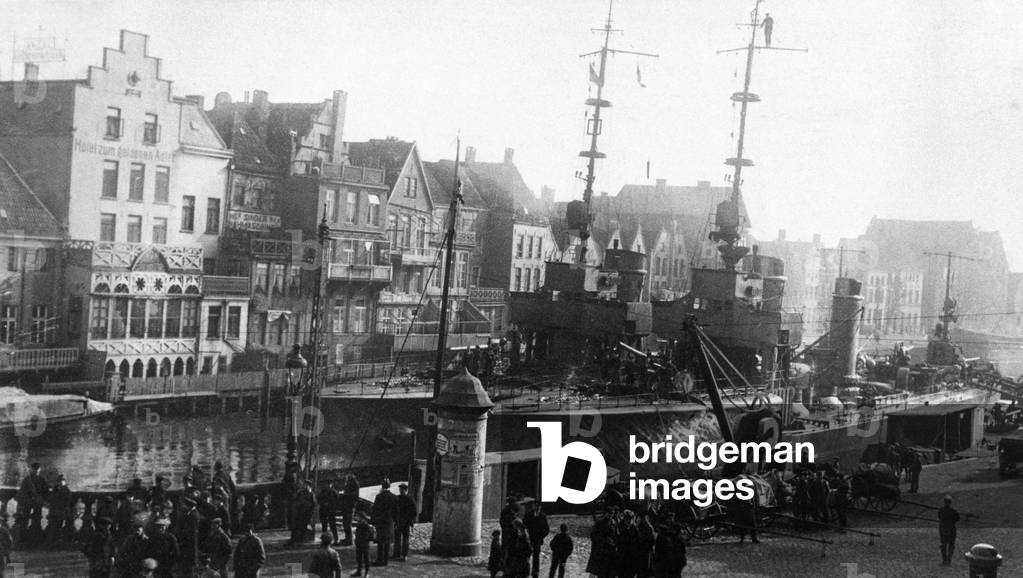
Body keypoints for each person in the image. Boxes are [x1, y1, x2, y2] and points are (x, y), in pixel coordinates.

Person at [370, 479, 397, 566]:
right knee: (387, 541)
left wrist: (373, 521)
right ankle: (385, 561)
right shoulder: (394, 497)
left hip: (380, 521)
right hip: (389, 522)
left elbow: (374, 510)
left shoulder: (379, 496)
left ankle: (379, 559)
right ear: (389, 486)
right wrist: (395, 521)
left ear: (382, 486)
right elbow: (396, 511)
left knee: (380, 541)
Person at [46, 473, 73, 547]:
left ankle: (55, 542)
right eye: (60, 481)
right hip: (55, 511)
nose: (61, 482)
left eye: (62, 481)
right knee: (53, 526)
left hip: (60, 511)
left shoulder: (66, 490)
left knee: (58, 526)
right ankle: (52, 542)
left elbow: (67, 502)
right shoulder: (57, 489)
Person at [523, 501, 549, 578]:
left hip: (538, 539)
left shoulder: (543, 516)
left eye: (538, 506)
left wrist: (541, 537)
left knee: (536, 557)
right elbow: (524, 524)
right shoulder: (528, 515)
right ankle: (525, 571)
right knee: (527, 554)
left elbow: (546, 529)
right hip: (529, 538)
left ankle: (535, 572)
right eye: (535, 506)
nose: (537, 508)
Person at [291, 480, 318, 545]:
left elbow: (314, 504)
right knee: (297, 526)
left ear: (309, 486)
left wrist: (311, 512)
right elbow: (296, 501)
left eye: (306, 485)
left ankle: (301, 539)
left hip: (306, 513)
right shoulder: (300, 493)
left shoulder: (311, 494)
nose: (305, 486)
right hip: (300, 512)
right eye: (304, 485)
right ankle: (294, 539)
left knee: (303, 527)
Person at [394, 483, 417, 561]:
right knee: (402, 539)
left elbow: (414, 511)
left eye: (402, 489)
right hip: (402, 521)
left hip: (403, 521)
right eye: (400, 489)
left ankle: (400, 554)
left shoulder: (398, 498)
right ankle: (401, 554)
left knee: (402, 539)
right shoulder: (409, 499)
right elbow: (414, 511)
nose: (401, 491)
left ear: (406, 490)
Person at [938, 495, 960, 565]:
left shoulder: (941, 510)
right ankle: (949, 559)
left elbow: (939, 517)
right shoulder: (953, 511)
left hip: (943, 528)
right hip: (951, 529)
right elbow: (957, 518)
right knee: (951, 544)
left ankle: (944, 559)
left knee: (944, 544)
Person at [318, 480, 340, 545]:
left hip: (330, 511)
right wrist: (324, 504)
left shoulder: (334, 492)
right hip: (324, 511)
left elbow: (337, 502)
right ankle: (324, 540)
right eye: (327, 484)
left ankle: (336, 539)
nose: (328, 485)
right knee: (324, 526)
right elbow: (319, 500)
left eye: (329, 484)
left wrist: (331, 506)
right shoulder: (323, 492)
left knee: (332, 526)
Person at [340, 474, 360, 545]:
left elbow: (354, 496)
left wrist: (345, 495)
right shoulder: (352, 486)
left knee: (347, 523)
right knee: (346, 523)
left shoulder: (353, 486)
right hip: (348, 506)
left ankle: (349, 540)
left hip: (350, 507)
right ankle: (348, 538)